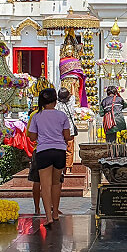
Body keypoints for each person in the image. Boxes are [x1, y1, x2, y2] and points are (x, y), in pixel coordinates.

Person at [28, 88, 73, 227]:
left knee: (45, 185)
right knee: (56, 183)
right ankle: (55, 213)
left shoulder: (36, 116)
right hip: (59, 151)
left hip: (43, 152)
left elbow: (32, 136)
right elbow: (67, 136)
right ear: (55, 101)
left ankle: (48, 216)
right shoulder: (62, 115)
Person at [55, 88, 78, 170]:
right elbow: (73, 96)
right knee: (69, 148)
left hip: (59, 129)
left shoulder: (57, 105)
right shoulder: (71, 103)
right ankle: (68, 168)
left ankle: (60, 167)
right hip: (70, 129)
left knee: (60, 148)